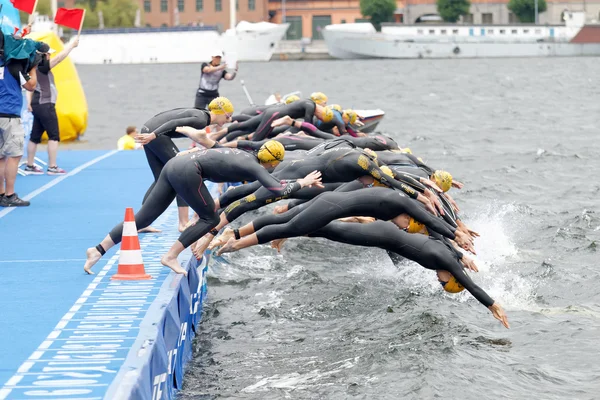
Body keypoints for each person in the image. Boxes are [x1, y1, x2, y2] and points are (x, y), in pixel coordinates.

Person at [82, 140, 323, 276]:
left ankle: (98, 250)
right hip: (187, 171)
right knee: (210, 218)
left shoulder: (245, 154)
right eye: (275, 165)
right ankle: (171, 256)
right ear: (272, 161)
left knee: (143, 218)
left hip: (176, 164)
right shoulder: (256, 167)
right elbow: (277, 190)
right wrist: (302, 182)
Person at [268, 219, 509, 329]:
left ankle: (289, 228)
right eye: (444, 284)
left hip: (387, 235)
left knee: (339, 228)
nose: (439, 281)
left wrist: (462, 255)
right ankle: (284, 230)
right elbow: (472, 287)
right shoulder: (448, 262)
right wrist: (493, 306)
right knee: (333, 231)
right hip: (385, 236)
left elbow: (441, 239)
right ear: (452, 278)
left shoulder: (448, 254)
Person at [213, 186, 475, 255]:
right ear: (408, 214)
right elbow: (433, 219)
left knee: (291, 223)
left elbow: (435, 218)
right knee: (288, 225)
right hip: (329, 202)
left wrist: (458, 230)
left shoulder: (397, 204)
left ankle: (234, 236)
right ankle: (234, 241)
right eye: (407, 225)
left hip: (331, 202)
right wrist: (456, 235)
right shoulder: (401, 203)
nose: (404, 228)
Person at [133, 97, 235, 232]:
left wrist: (151, 133)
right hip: (155, 134)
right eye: (228, 117)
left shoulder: (201, 115)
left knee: (159, 179)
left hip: (149, 129)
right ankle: (183, 223)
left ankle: (141, 222)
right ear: (221, 112)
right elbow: (174, 121)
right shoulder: (201, 120)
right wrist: (153, 135)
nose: (228, 121)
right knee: (180, 172)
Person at [24, 37, 79, 175]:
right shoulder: (42, 67)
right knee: (54, 135)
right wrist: (71, 45)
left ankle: (30, 165)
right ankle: (52, 166)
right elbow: (60, 58)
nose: (50, 56)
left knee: (34, 136)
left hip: (37, 104)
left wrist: (29, 103)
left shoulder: (31, 67)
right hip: (46, 104)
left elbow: (29, 88)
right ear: (43, 56)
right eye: (48, 54)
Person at [0, 34, 40, 207]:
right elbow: (31, 86)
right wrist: (33, 66)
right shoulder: (13, 66)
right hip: (10, 115)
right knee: (14, 156)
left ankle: (1, 194)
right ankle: (10, 194)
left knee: (0, 157)